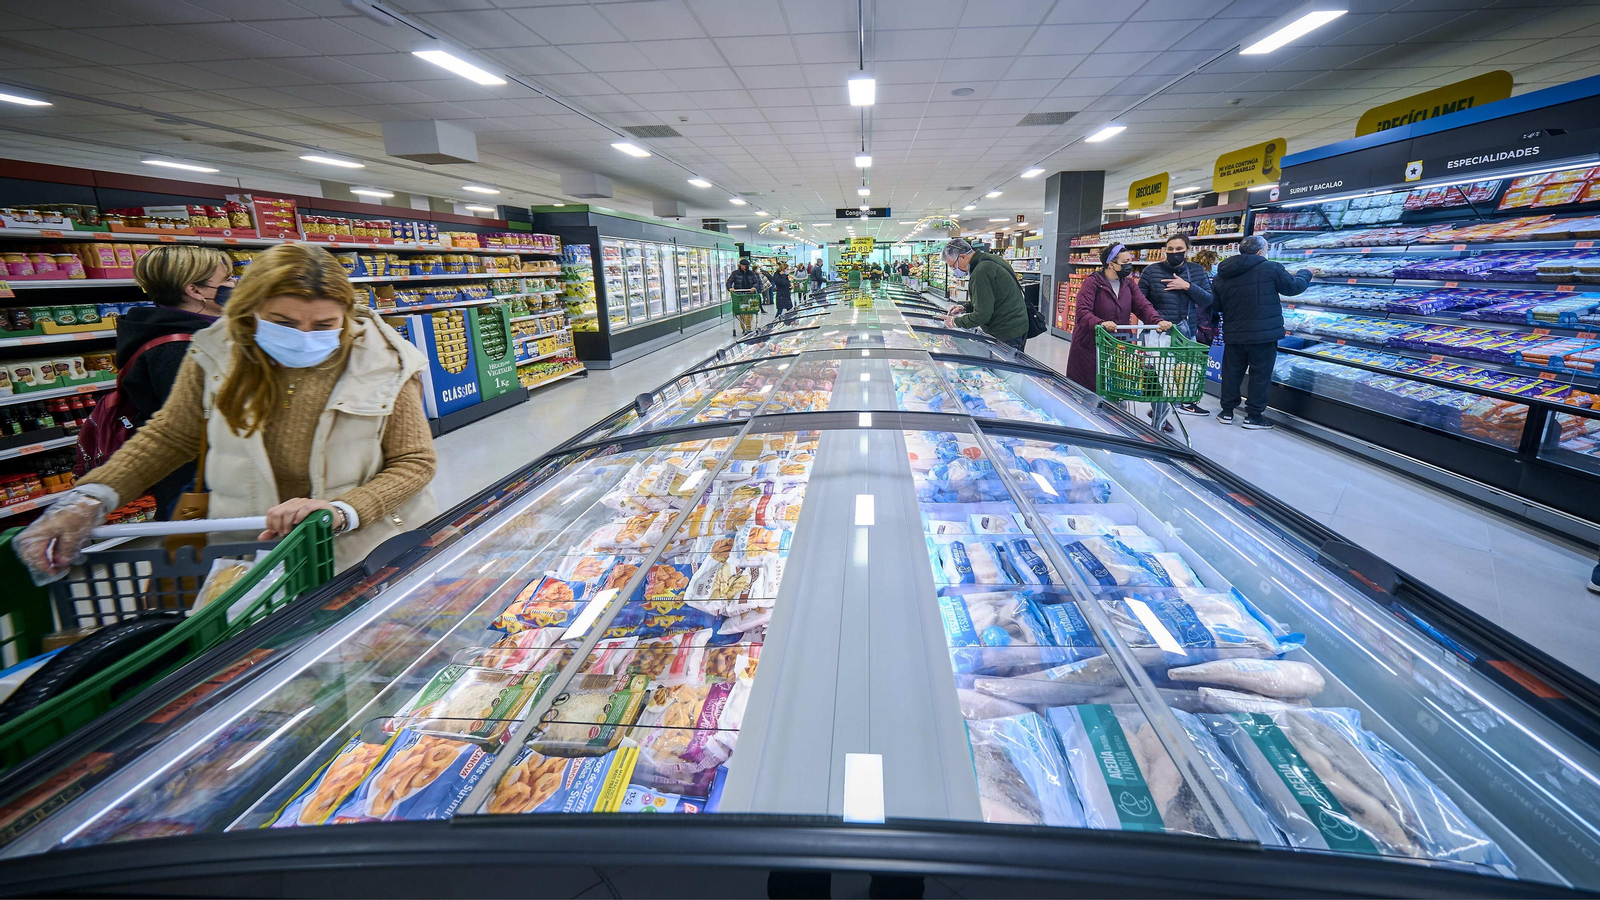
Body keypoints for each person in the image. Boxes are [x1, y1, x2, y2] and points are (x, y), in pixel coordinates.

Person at [16, 243, 439, 578]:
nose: (305, 336)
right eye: (284, 323)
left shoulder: (385, 360)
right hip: (250, 553)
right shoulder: (216, 354)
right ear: (249, 310)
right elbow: (171, 435)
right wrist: (92, 497)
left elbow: (414, 461)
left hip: (365, 548)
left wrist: (343, 510)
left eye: (325, 324)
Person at [115, 245, 236, 517]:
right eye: (227, 279)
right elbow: (190, 427)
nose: (234, 284)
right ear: (195, 291)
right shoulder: (179, 348)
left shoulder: (195, 332)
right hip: (198, 482)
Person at [1210, 234, 1313, 429]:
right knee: (1260, 375)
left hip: (1234, 333)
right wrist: (1305, 272)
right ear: (1260, 252)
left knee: (1231, 374)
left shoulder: (1222, 273)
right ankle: (1253, 417)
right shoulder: (1271, 268)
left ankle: (1226, 412)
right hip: (1263, 334)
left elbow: (1217, 305)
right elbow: (1293, 288)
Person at [1064, 243, 1171, 391]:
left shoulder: (1128, 284)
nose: (1129, 266)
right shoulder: (1092, 283)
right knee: (1089, 389)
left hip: (1120, 346)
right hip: (1091, 346)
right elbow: (1082, 313)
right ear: (1111, 264)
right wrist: (1101, 323)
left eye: (1130, 261)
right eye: (1125, 262)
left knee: (1117, 387)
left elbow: (1143, 306)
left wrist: (1157, 321)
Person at [1139, 233, 1214, 417]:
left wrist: (1187, 286)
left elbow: (1208, 300)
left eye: (1179, 249)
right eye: (1170, 249)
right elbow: (1140, 302)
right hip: (1158, 334)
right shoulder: (1151, 271)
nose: (1174, 253)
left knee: (1182, 377)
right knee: (1158, 377)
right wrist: (1154, 320)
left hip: (1186, 335)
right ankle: (1159, 415)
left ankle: (1175, 409)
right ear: (1165, 250)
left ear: (1187, 250)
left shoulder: (1196, 270)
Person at [939, 238, 1032, 352]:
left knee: (1005, 363)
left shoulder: (980, 272)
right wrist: (964, 307)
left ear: (962, 257)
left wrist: (954, 322)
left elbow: (982, 316)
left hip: (1006, 331)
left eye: (953, 266)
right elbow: (988, 299)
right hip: (1016, 324)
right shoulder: (990, 259)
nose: (954, 270)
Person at [726, 257, 763, 334]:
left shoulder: (751, 273)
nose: (744, 267)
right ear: (740, 265)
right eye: (742, 265)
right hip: (739, 296)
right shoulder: (735, 273)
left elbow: (756, 282)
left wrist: (754, 287)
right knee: (742, 312)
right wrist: (730, 288)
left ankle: (748, 328)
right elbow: (729, 282)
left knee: (749, 312)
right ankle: (744, 328)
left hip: (749, 295)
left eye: (745, 266)